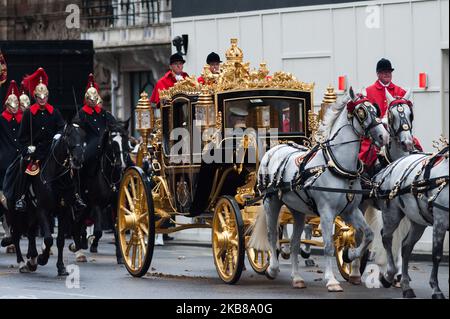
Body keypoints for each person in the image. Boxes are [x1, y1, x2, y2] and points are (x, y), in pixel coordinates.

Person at [15, 67, 86, 212]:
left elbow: (62, 127)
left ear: (48, 96)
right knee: (24, 165)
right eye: (39, 97)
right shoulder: (29, 113)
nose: (42, 100)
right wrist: (27, 148)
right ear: (35, 97)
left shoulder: (54, 112)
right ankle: (21, 197)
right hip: (35, 151)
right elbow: (21, 137)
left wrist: (59, 135)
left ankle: (76, 196)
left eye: (44, 97)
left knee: (71, 168)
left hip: (51, 148)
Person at [359, 58, 422, 168]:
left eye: (389, 72)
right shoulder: (368, 92)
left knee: (416, 148)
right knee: (365, 154)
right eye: (384, 72)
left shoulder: (400, 91)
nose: (387, 74)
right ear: (378, 74)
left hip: (397, 133)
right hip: (376, 135)